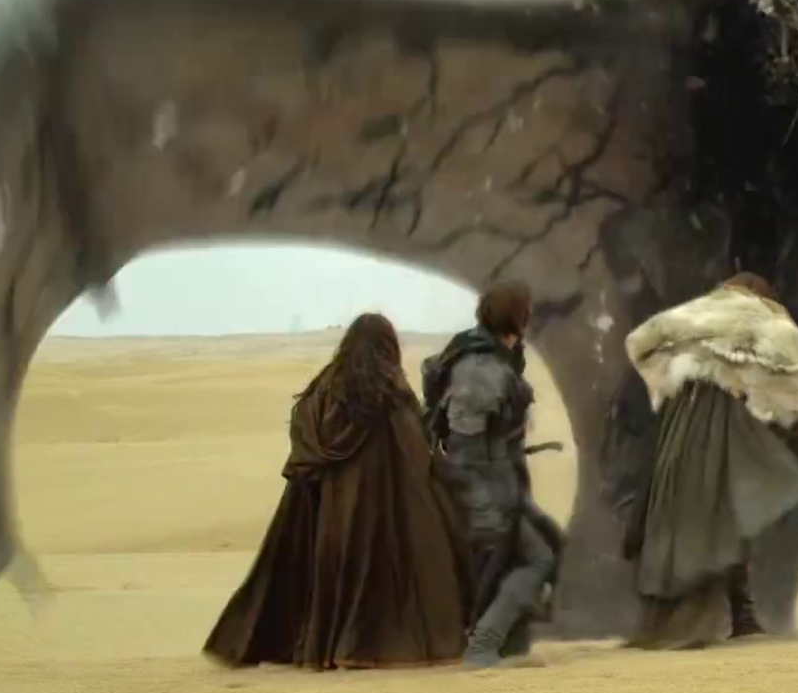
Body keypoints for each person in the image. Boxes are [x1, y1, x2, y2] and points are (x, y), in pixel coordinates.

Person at [203, 313, 471, 669]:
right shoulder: (389, 392)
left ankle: (330, 647)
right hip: (382, 515)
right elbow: (416, 455)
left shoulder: (323, 390)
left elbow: (305, 445)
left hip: (330, 518)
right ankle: (360, 647)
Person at [618, 272, 798, 649]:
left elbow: (645, 341)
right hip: (717, 423)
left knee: (707, 514)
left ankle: (740, 615)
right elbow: (788, 368)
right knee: (718, 514)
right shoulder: (753, 317)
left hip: (681, 420)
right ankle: (730, 616)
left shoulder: (698, 316)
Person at [421, 281, 563, 669]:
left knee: (547, 552)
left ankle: (506, 642)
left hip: (500, 482)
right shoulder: (480, 368)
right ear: (518, 316)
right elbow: (466, 445)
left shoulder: (494, 356)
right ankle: (483, 645)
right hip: (485, 487)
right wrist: (489, 505)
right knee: (536, 559)